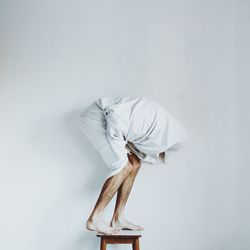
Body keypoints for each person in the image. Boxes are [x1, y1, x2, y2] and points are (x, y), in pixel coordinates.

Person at [79, 96, 188, 235]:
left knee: (135, 163)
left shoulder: (156, 127)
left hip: (113, 120)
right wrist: (121, 151)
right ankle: (94, 218)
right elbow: (116, 117)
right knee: (122, 165)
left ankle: (118, 218)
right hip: (95, 118)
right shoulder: (144, 124)